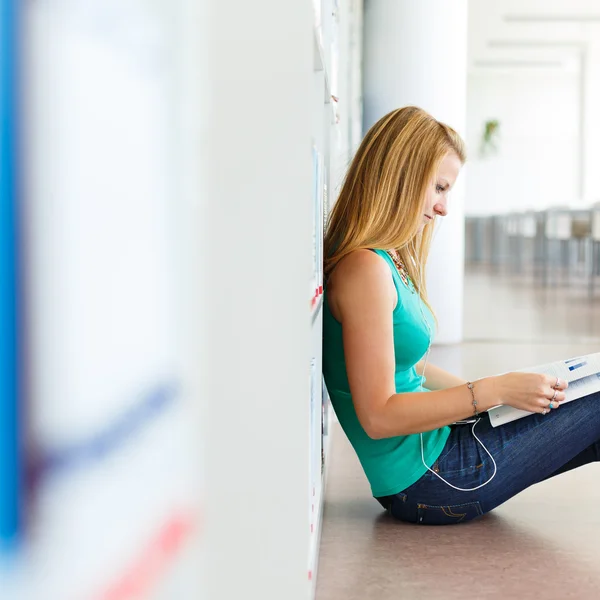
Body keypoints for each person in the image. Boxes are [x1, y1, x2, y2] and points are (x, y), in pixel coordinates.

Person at [322, 105, 600, 525]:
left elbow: (412, 367)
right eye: (438, 187)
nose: (444, 207)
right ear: (401, 176)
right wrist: (494, 390)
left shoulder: (383, 260)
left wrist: (504, 401)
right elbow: (378, 416)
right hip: (432, 478)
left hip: (439, 456)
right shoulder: (364, 270)